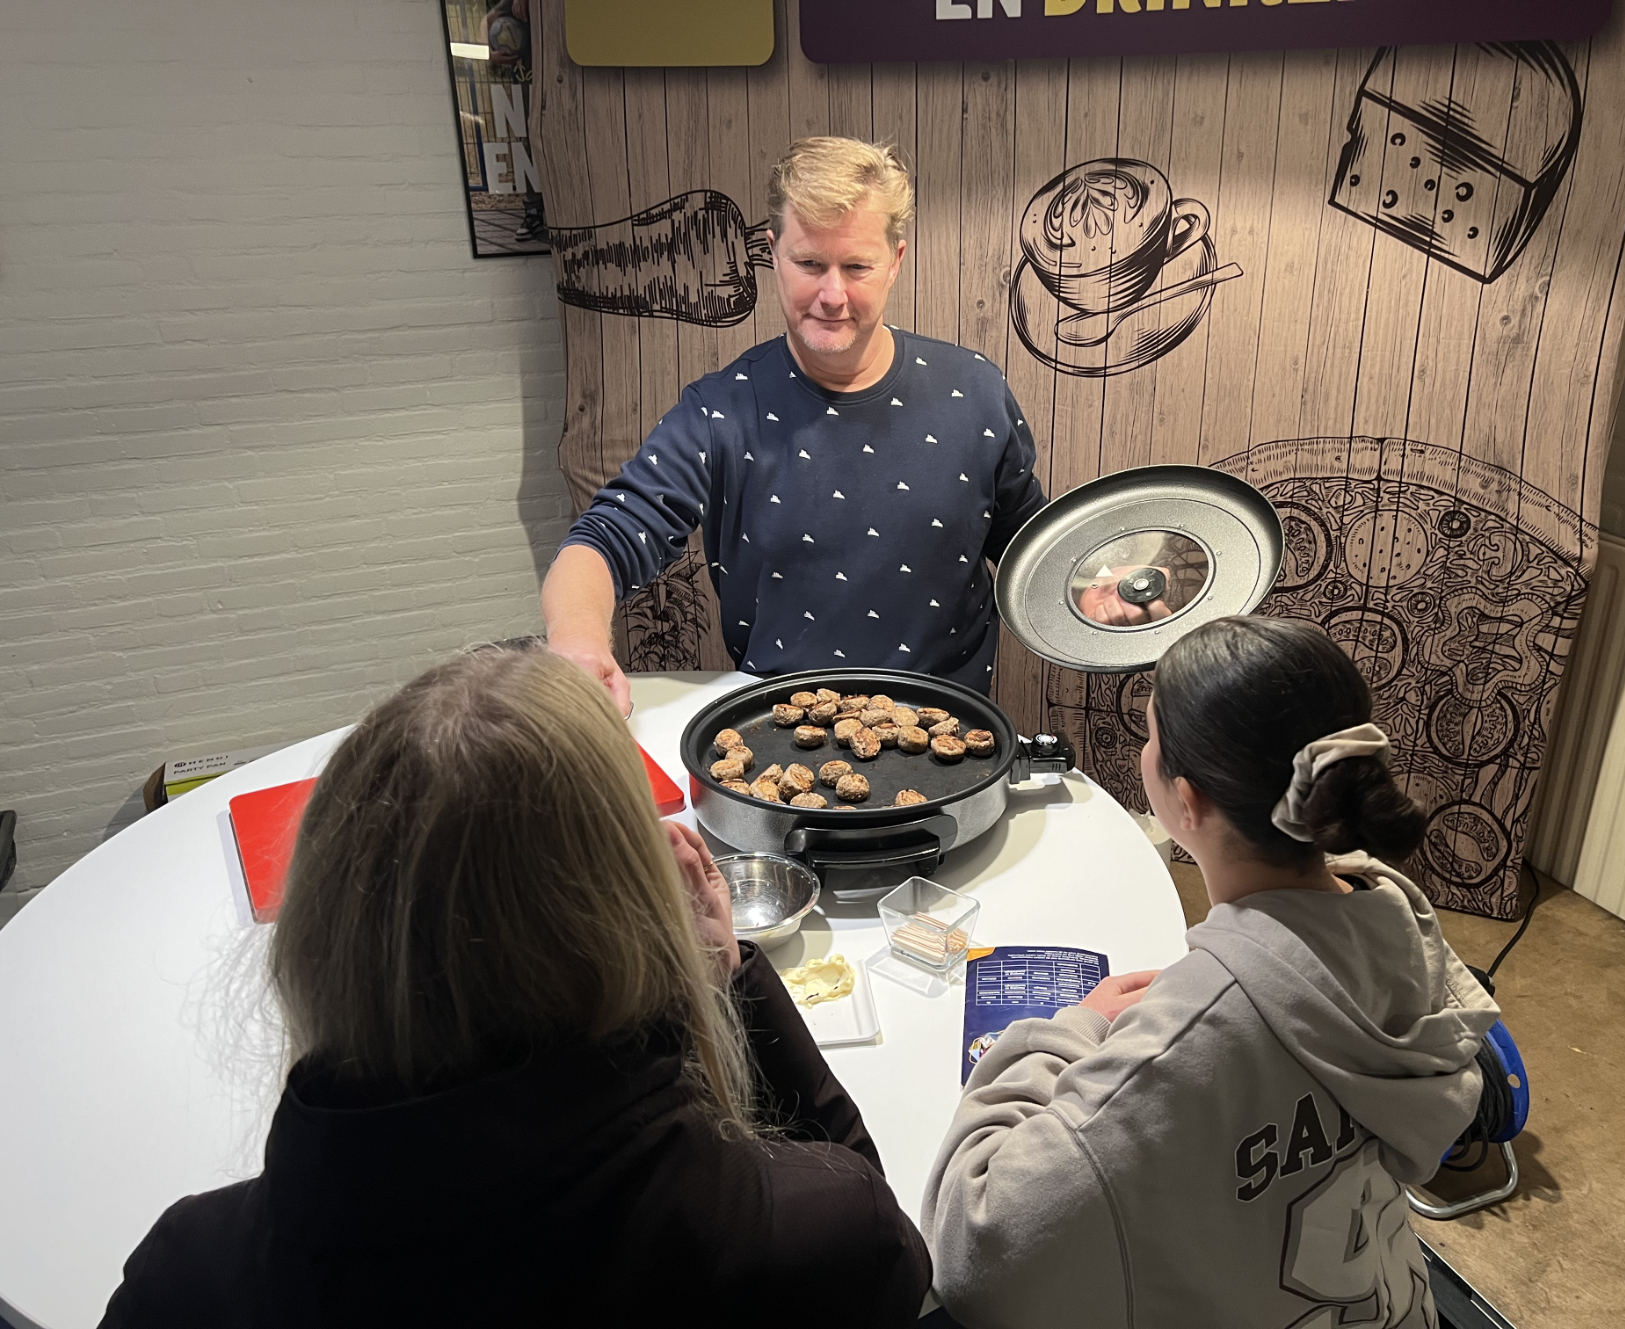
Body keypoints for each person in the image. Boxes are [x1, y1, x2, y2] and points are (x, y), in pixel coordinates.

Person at [99, 646, 930, 1327]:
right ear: (637, 923)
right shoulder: (806, 1238)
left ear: (328, 937)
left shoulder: (179, 1280)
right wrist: (727, 979)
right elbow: (892, 1256)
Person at [920, 617, 1500, 1328]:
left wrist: (1070, 1030)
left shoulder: (1182, 1044)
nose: (1144, 750)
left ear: (1185, 802)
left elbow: (977, 1253)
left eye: (1150, 736)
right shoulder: (1400, 925)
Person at [543, 137, 1048, 713]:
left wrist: (1091, 588)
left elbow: (1030, 545)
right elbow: (604, 538)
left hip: (950, 737)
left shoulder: (975, 389)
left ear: (896, 262)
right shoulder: (720, 411)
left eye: (857, 266)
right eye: (809, 263)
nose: (832, 295)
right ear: (773, 252)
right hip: (780, 749)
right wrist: (578, 644)